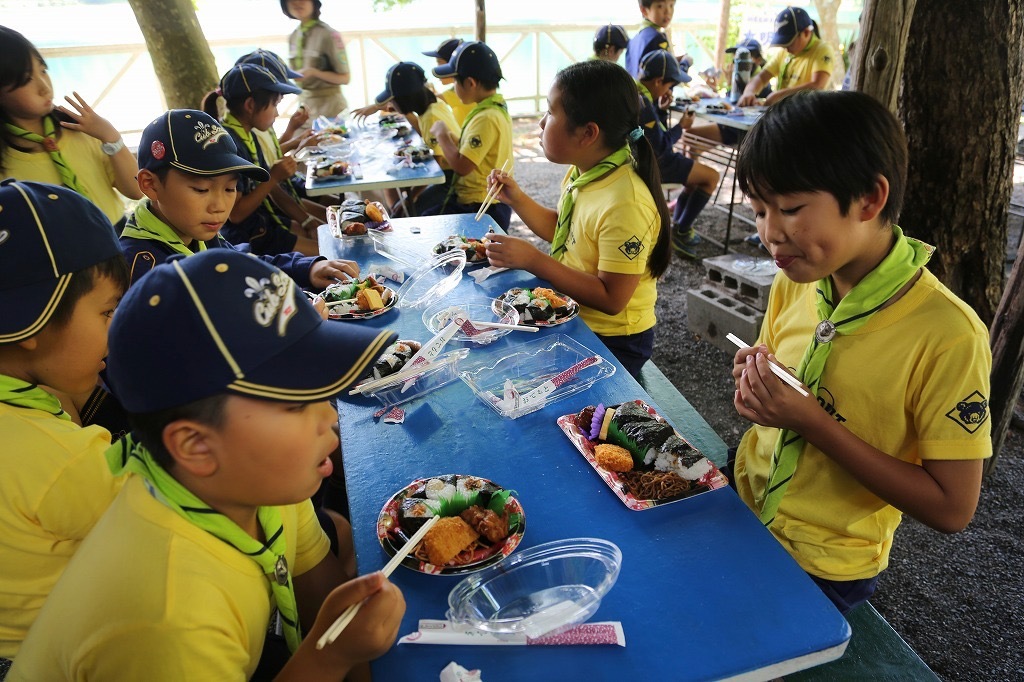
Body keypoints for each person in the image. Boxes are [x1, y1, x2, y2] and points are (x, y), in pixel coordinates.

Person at [9, 249, 404, 681]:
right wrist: (330, 656)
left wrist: (345, 644)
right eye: (295, 407)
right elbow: (329, 645)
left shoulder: (251, 477)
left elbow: (318, 587)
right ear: (195, 445)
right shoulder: (170, 616)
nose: (329, 417)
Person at [730, 90, 991, 615]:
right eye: (759, 211)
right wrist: (756, 386)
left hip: (825, 564)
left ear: (870, 200)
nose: (770, 234)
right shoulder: (799, 278)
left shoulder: (948, 335)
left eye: (791, 209)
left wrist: (813, 423)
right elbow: (779, 380)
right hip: (741, 507)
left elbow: (951, 507)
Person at [0, 180, 127, 659]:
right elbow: (168, 511)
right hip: (67, 654)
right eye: (108, 312)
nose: (116, 331)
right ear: (35, 318)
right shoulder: (57, 456)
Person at [482, 60, 671, 377]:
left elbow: (613, 298)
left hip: (614, 340)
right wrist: (517, 198)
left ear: (588, 133)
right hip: (574, 315)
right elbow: (568, 232)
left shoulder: (626, 202)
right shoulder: (586, 172)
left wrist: (535, 261)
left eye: (551, 112)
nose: (542, 123)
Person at [121, 109, 358, 290]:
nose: (219, 207)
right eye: (201, 190)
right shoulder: (143, 270)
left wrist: (307, 268)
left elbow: (242, 263)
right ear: (150, 185)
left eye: (230, 188)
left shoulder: (198, 232)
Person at [0, 26, 141, 229]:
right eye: (27, 79)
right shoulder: (6, 163)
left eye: (43, 70)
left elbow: (136, 190)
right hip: (61, 259)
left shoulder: (80, 128)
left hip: (119, 237)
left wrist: (110, 136)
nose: (44, 87)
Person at [201, 63, 322, 256]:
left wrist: (306, 221)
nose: (277, 113)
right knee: (327, 253)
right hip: (245, 238)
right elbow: (236, 214)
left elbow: (271, 188)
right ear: (250, 105)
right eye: (274, 105)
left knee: (325, 235)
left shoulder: (248, 135)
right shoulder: (228, 144)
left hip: (264, 222)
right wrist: (274, 176)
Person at [417, 41, 514, 229]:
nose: (453, 87)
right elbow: (473, 148)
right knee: (425, 216)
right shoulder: (492, 108)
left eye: (455, 81)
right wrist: (453, 138)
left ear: (470, 83)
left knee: (426, 225)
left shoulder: (486, 117)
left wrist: (442, 135)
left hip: (482, 206)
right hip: (479, 201)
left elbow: (462, 166)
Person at [636, 50, 720, 259]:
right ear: (657, 81)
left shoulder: (638, 94)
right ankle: (680, 232)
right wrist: (681, 126)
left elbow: (653, 134)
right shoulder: (644, 104)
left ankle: (678, 228)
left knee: (695, 178)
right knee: (711, 177)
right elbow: (660, 145)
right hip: (657, 164)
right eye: (669, 85)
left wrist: (662, 110)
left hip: (649, 160)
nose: (669, 89)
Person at [371, 61, 461, 213]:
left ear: (405, 99)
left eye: (392, 99)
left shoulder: (431, 116)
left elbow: (435, 170)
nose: (390, 104)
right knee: (396, 190)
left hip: (452, 181)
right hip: (447, 173)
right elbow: (425, 133)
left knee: (408, 210)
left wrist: (410, 197)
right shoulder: (433, 106)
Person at [737, 6, 834, 107]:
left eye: (790, 43)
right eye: (783, 44)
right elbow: (762, 77)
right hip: (784, 112)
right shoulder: (784, 52)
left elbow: (817, 85)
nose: (786, 48)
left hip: (807, 113)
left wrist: (779, 96)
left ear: (806, 33)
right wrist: (749, 92)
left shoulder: (822, 49)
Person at [686, 38, 771, 147]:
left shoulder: (761, 85)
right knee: (691, 139)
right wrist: (730, 83)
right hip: (731, 126)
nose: (738, 61)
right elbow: (732, 105)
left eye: (746, 57)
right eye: (736, 57)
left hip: (744, 133)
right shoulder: (739, 78)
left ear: (758, 60)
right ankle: (692, 164)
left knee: (691, 137)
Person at [281, 0, 351, 122]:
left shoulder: (329, 34)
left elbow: (345, 78)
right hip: (305, 108)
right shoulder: (294, 36)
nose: (296, 3)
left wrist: (314, 72)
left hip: (330, 109)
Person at [423, 38, 474, 126]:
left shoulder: (462, 91)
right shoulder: (467, 86)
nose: (437, 68)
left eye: (439, 62)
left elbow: (426, 100)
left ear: (453, 64)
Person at [624, 0, 674, 78]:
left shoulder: (635, 38)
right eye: (660, 6)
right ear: (644, 10)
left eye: (671, 5)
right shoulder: (658, 39)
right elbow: (666, 77)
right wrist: (685, 63)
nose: (668, 12)